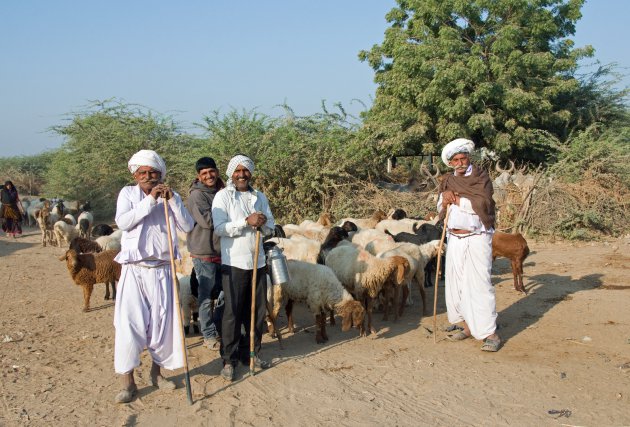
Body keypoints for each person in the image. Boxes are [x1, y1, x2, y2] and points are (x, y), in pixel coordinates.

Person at [112, 149, 195, 403]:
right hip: (134, 270)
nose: (148, 177)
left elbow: (188, 226)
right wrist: (150, 201)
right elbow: (124, 222)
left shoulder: (172, 196)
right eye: (143, 173)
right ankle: (127, 382)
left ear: (160, 174)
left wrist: (171, 201)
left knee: (162, 326)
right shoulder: (128, 194)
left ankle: (157, 374)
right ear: (135, 175)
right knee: (129, 325)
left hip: (162, 269)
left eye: (153, 173)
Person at [211, 155, 275, 381]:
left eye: (245, 171)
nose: (241, 174)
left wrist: (264, 222)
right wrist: (245, 222)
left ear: (250, 173)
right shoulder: (223, 196)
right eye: (237, 171)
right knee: (232, 313)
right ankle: (229, 360)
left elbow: (272, 227)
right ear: (231, 173)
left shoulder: (259, 196)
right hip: (234, 263)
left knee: (256, 312)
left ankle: (253, 353)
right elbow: (219, 228)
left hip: (257, 262)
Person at [436, 138, 502, 352]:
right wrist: (444, 199)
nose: (460, 162)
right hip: (454, 239)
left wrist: (458, 201)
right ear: (450, 163)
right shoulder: (447, 180)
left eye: (463, 157)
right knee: (457, 285)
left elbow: (483, 204)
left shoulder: (480, 177)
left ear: (469, 157)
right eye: (455, 160)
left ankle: (489, 333)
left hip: (477, 237)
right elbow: (440, 205)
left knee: (479, 284)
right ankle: (466, 326)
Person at [186, 157, 225, 351]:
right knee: (206, 295)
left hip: (223, 250)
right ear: (198, 176)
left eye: (211, 171)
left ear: (217, 171)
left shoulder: (223, 190)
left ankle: (221, 327)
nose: (209, 176)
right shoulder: (197, 196)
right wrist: (238, 219)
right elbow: (208, 221)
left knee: (223, 293)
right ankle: (208, 335)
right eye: (204, 173)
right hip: (204, 252)